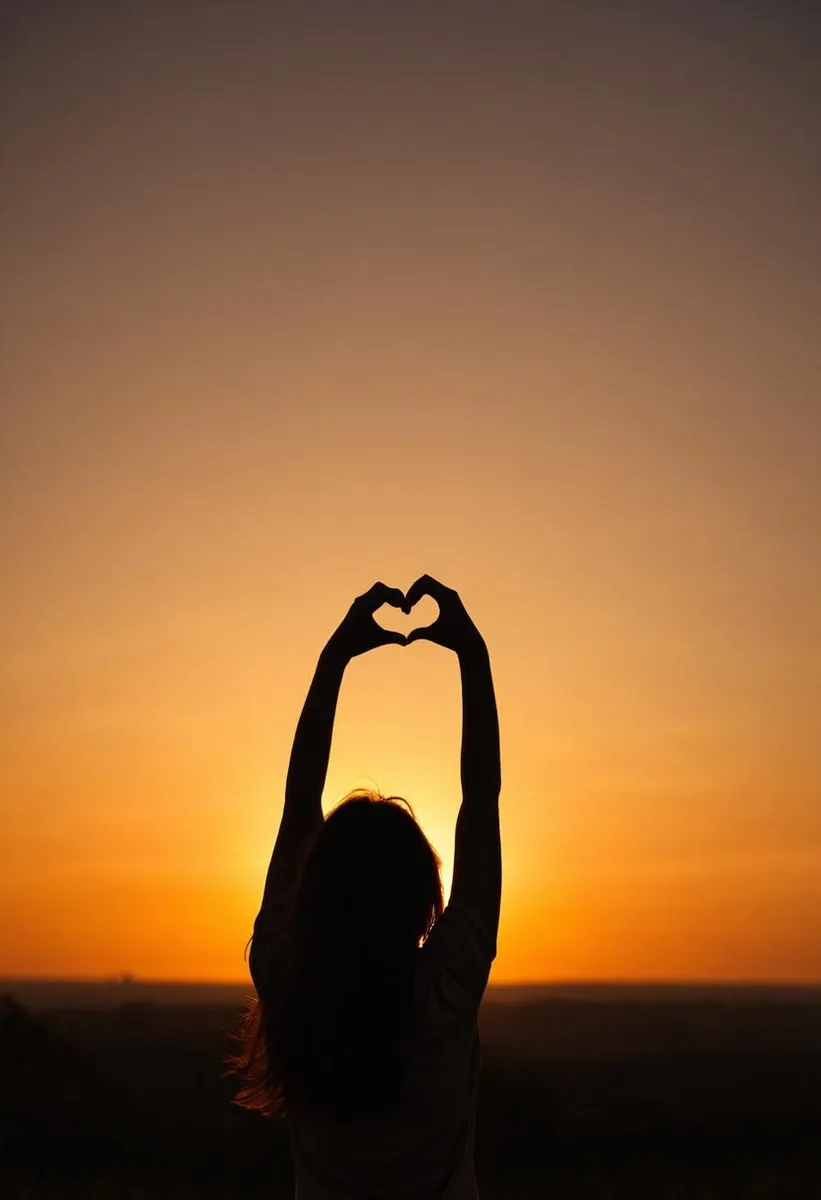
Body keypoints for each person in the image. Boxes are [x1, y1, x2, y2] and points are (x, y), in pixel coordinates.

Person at [234, 575, 502, 1200]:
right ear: (420, 898)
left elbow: (300, 803)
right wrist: (471, 653)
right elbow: (480, 800)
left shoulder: (285, 980)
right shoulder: (446, 987)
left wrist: (335, 659)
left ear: (316, 890)